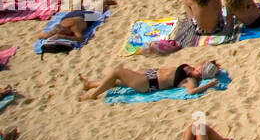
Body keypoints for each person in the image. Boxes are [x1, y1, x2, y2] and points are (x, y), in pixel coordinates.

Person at [80, 60, 222, 100]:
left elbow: (191, 92)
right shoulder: (192, 68)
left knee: (117, 72)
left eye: (200, 72)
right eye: (200, 68)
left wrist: (209, 84)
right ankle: (90, 84)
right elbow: (204, 62)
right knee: (117, 81)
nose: (198, 70)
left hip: (147, 83)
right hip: (149, 74)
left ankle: (93, 95)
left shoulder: (190, 80)